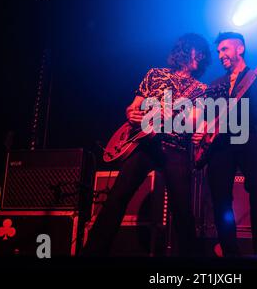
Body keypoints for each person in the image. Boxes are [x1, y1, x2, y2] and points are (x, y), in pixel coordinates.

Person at [82, 33, 211, 256]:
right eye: (195, 50)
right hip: (144, 144)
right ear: (184, 50)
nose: (199, 55)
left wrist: (172, 116)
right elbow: (133, 107)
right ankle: (91, 254)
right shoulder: (154, 74)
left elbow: (194, 121)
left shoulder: (200, 88)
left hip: (175, 148)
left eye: (202, 53)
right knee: (117, 199)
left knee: (182, 209)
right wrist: (132, 113)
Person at [193, 32, 257, 256]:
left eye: (225, 49)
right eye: (219, 51)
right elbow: (206, 116)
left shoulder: (256, 75)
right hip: (220, 144)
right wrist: (202, 132)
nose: (220, 55)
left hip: (248, 137)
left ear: (240, 49)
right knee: (220, 197)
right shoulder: (217, 83)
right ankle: (230, 253)